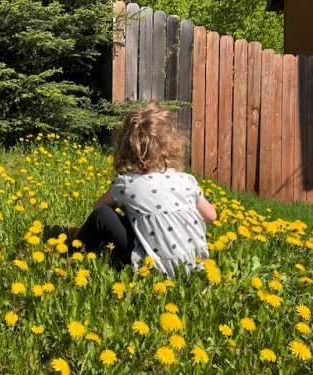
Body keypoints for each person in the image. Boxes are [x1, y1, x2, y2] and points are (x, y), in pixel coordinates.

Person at [71, 101, 217, 278]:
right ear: (172, 145)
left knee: (102, 215)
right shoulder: (187, 180)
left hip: (151, 269)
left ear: (126, 147)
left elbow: (98, 209)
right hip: (194, 266)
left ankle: (72, 254)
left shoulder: (127, 183)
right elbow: (211, 216)